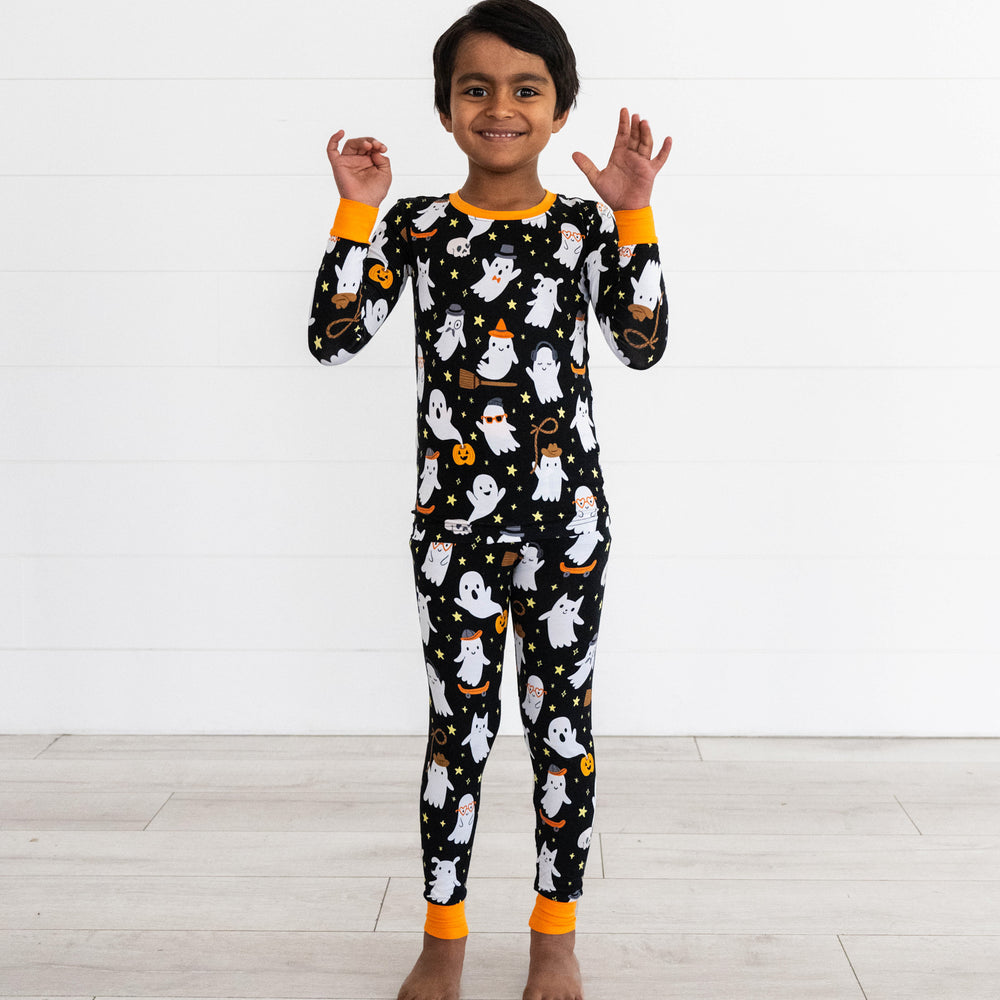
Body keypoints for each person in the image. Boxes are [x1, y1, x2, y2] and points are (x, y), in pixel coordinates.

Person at [308, 2, 671, 997]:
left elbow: (641, 342)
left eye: (525, 90)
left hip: (568, 528)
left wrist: (632, 210)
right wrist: (355, 209)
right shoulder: (419, 225)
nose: (499, 107)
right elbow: (334, 335)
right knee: (456, 731)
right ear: (444, 108)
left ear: (559, 113)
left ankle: (555, 931)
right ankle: (444, 932)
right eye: (476, 88)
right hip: (450, 529)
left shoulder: (581, 227)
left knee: (563, 725)